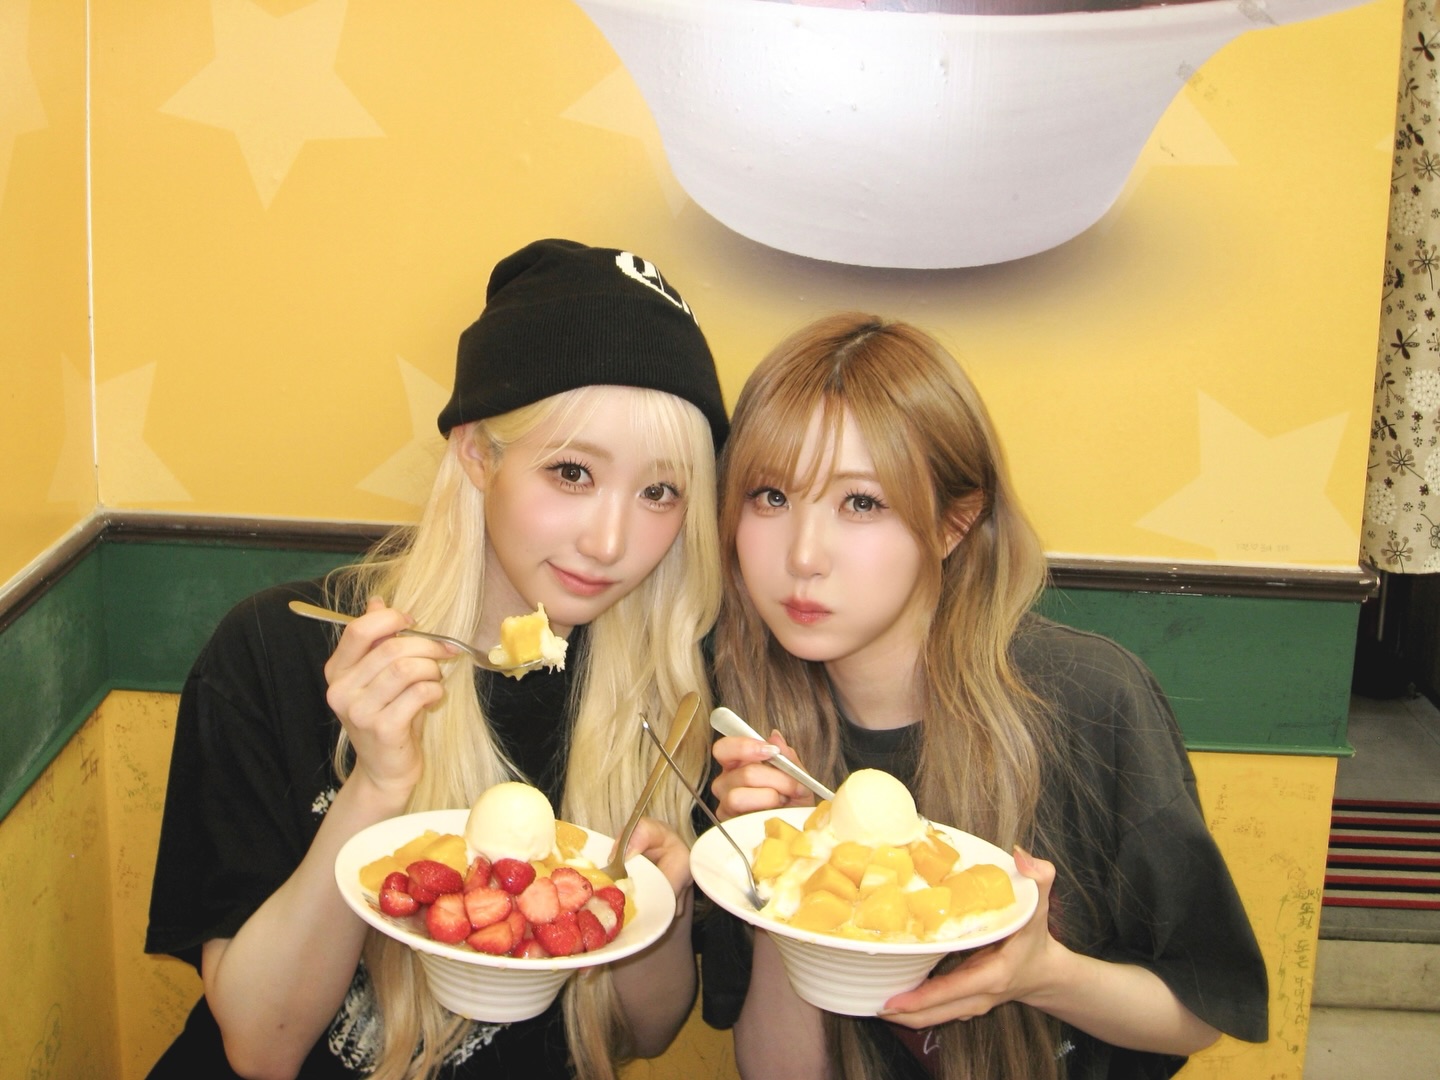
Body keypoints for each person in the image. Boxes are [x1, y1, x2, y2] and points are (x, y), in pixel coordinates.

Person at [144, 238, 729, 1080]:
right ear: (477, 454)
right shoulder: (277, 651)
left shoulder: (668, 687)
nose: (612, 542)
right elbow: (261, 1047)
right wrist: (375, 786)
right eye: (571, 472)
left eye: (659, 492)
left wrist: (655, 906)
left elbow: (648, 1031)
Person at [702, 313, 1268, 1080]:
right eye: (770, 496)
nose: (802, 555)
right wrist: (783, 883)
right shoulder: (745, 722)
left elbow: (1199, 1016)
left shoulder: (1090, 700)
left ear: (954, 522)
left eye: (860, 502)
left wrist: (1045, 975)